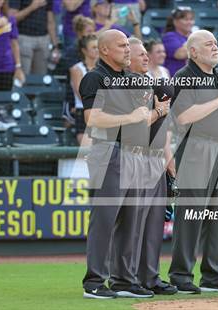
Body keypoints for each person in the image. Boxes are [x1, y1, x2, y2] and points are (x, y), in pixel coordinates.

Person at [80, 29, 154, 299]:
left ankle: (124, 280)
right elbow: (93, 118)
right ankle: (94, 281)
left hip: (134, 153)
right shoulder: (95, 78)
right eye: (121, 45)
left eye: (127, 45)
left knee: (131, 221)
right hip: (109, 152)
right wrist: (131, 116)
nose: (127, 49)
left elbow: (142, 117)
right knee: (105, 219)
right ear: (104, 51)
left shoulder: (132, 80)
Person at [168, 29, 218, 294]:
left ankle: (213, 274)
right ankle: (180, 274)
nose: (215, 47)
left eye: (215, 43)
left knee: (217, 215)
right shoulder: (184, 76)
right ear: (193, 51)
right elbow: (183, 117)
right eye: (208, 44)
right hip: (196, 148)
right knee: (191, 215)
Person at [126, 37, 177, 295]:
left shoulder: (151, 84)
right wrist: (158, 111)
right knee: (134, 223)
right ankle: (129, 277)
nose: (146, 57)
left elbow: (163, 130)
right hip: (135, 156)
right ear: (128, 58)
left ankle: (151, 276)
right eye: (141, 54)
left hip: (156, 157)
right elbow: (135, 125)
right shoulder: (126, 85)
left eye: (147, 53)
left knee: (155, 223)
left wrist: (169, 162)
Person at [8, 0, 60, 75]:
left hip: (43, 40)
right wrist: (32, 7)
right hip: (24, 39)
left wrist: (55, 46)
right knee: (23, 76)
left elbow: (50, 22)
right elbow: (12, 18)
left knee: (41, 77)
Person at [0, 0, 24, 91]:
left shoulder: (10, 19)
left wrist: (18, 66)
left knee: (5, 99)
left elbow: (14, 44)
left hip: (6, 67)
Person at [70, 34, 98, 146]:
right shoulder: (77, 69)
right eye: (93, 47)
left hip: (102, 113)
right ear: (84, 51)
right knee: (86, 150)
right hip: (84, 113)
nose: (97, 50)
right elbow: (80, 93)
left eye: (98, 47)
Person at [161, 6, 194, 77]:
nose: (190, 22)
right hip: (174, 78)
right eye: (186, 19)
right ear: (175, 22)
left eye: (191, 19)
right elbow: (180, 55)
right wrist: (194, 40)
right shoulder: (169, 36)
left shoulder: (191, 36)